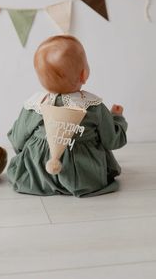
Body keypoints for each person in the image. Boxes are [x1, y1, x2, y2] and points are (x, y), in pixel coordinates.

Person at [7, 35, 127, 197]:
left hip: (38, 175)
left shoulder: (35, 105)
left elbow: (17, 139)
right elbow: (112, 140)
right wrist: (117, 118)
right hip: (85, 177)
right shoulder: (93, 106)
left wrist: (30, 153)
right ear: (84, 74)